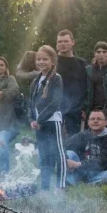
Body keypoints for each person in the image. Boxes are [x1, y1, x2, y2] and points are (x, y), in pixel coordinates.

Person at [29, 45, 66, 191]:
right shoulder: (35, 81)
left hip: (52, 121)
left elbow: (55, 103)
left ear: (53, 61)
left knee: (58, 152)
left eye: (45, 59)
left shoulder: (56, 79)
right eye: (38, 59)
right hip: (38, 124)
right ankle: (45, 187)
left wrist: (40, 120)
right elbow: (30, 103)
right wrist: (32, 120)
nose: (41, 62)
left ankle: (61, 185)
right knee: (44, 154)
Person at [64, 108, 107, 186]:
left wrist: (78, 164)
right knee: (69, 153)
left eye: (99, 119)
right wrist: (66, 160)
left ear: (106, 122)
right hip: (82, 171)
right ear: (88, 122)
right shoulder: (82, 135)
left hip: (101, 172)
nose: (95, 121)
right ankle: (73, 181)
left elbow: (102, 161)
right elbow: (64, 145)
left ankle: (79, 183)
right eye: (92, 119)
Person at [56, 30, 88, 137]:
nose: (63, 44)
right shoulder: (51, 62)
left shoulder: (82, 63)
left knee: (74, 143)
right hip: (55, 109)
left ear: (73, 42)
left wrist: (84, 107)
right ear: (56, 44)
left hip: (75, 110)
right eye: (60, 42)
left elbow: (86, 87)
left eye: (66, 41)